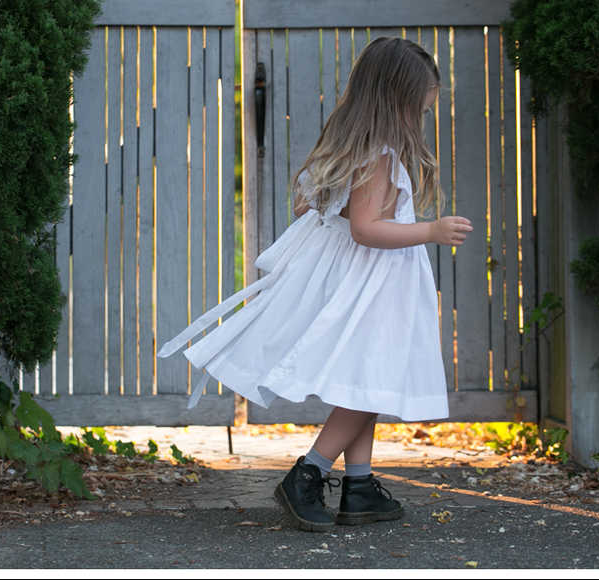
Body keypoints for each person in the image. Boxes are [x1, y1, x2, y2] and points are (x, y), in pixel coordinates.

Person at [157, 36, 473, 531]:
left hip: (360, 277)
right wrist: (430, 230)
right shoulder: (381, 156)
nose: (423, 118)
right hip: (373, 282)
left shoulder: (350, 140)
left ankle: (361, 487)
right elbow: (368, 228)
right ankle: (308, 473)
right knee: (369, 385)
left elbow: (310, 204)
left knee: (366, 380)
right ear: (398, 101)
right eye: (421, 108)